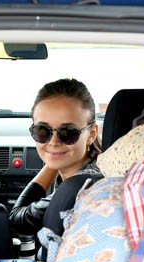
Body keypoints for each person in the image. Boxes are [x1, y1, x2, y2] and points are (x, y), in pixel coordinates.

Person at [9, 78, 102, 245]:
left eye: (68, 132)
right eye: (42, 131)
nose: (53, 141)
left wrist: (52, 155)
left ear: (92, 134)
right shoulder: (95, 168)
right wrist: (55, 156)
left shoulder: (81, 187)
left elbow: (19, 220)